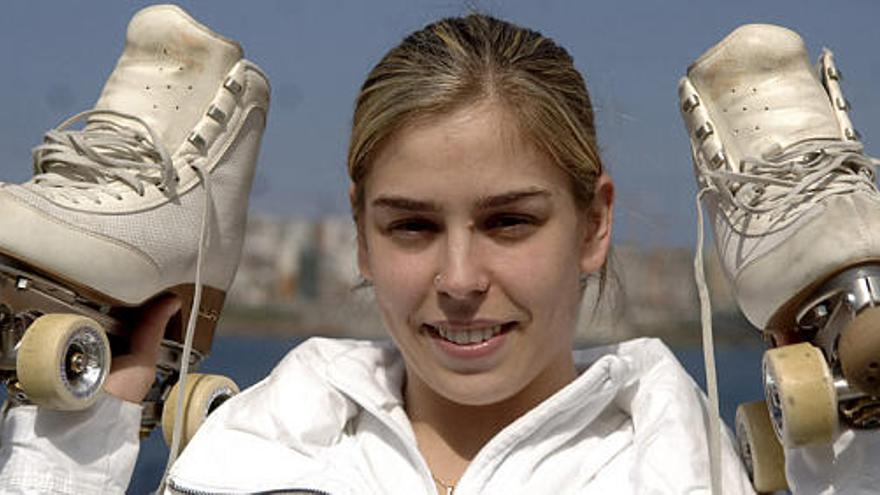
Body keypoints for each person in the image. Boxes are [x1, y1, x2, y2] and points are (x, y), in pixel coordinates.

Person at [0, 11, 877, 495]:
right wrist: (69, 448)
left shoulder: (683, 465)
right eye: (412, 227)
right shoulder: (251, 447)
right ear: (360, 233)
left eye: (509, 222)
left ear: (594, 223)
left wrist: (853, 448)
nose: (458, 281)